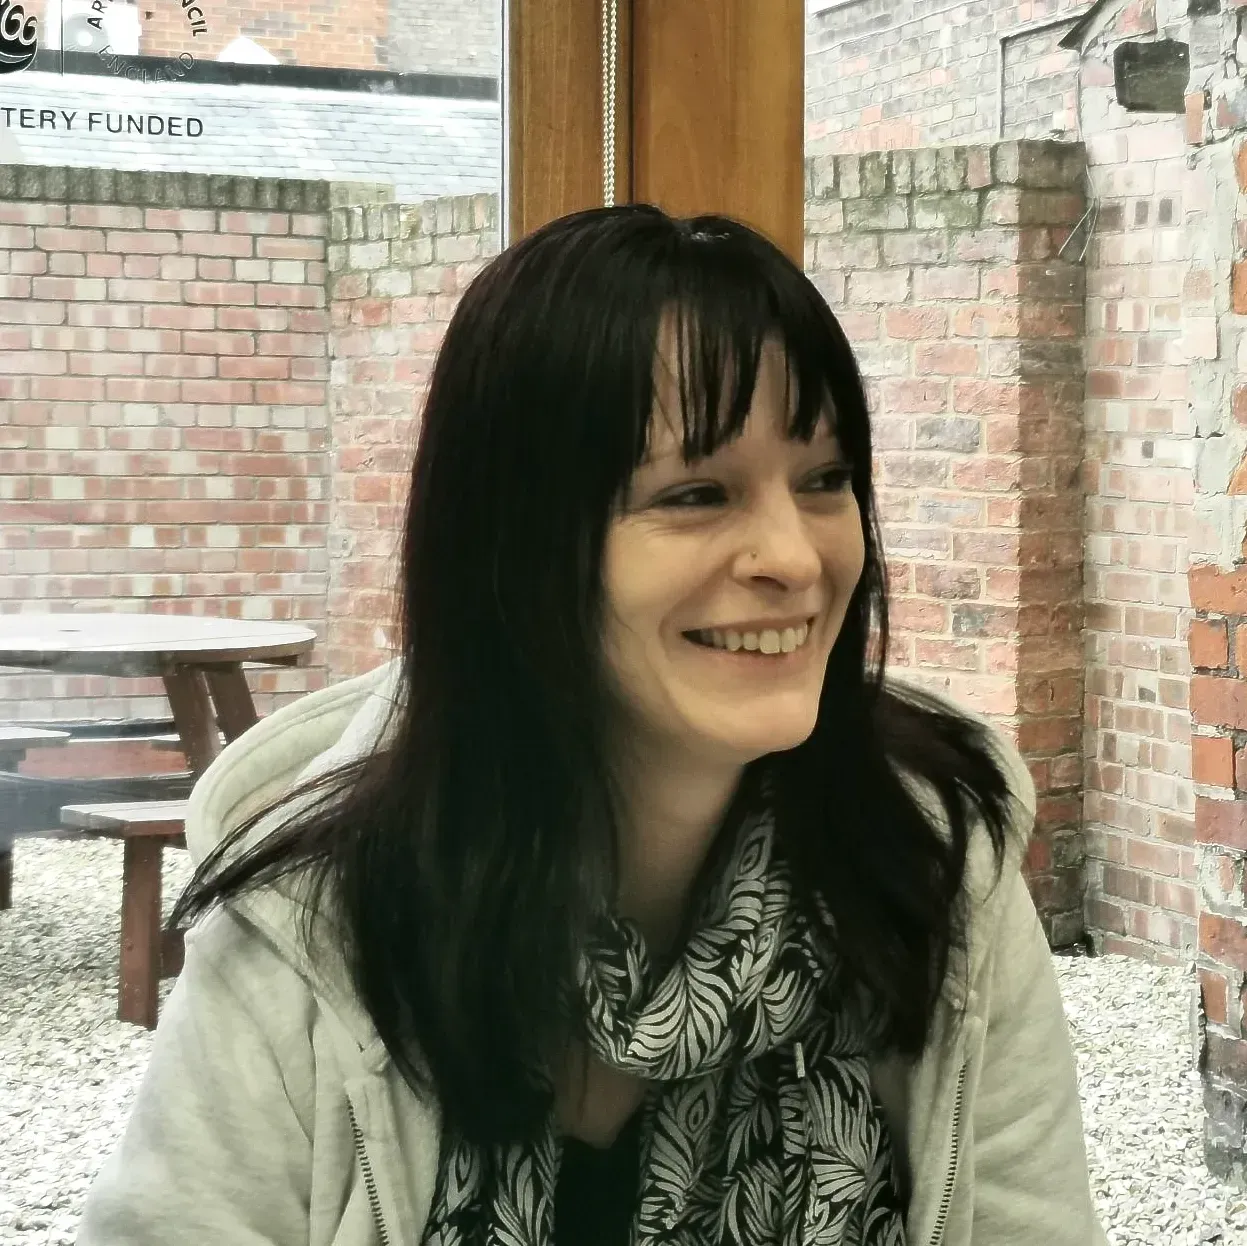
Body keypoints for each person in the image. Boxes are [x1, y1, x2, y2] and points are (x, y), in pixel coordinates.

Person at [75, 204, 1108, 1246]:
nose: (794, 558)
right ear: (515, 549)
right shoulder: (315, 925)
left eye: (824, 480)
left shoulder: (929, 864)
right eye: (696, 492)